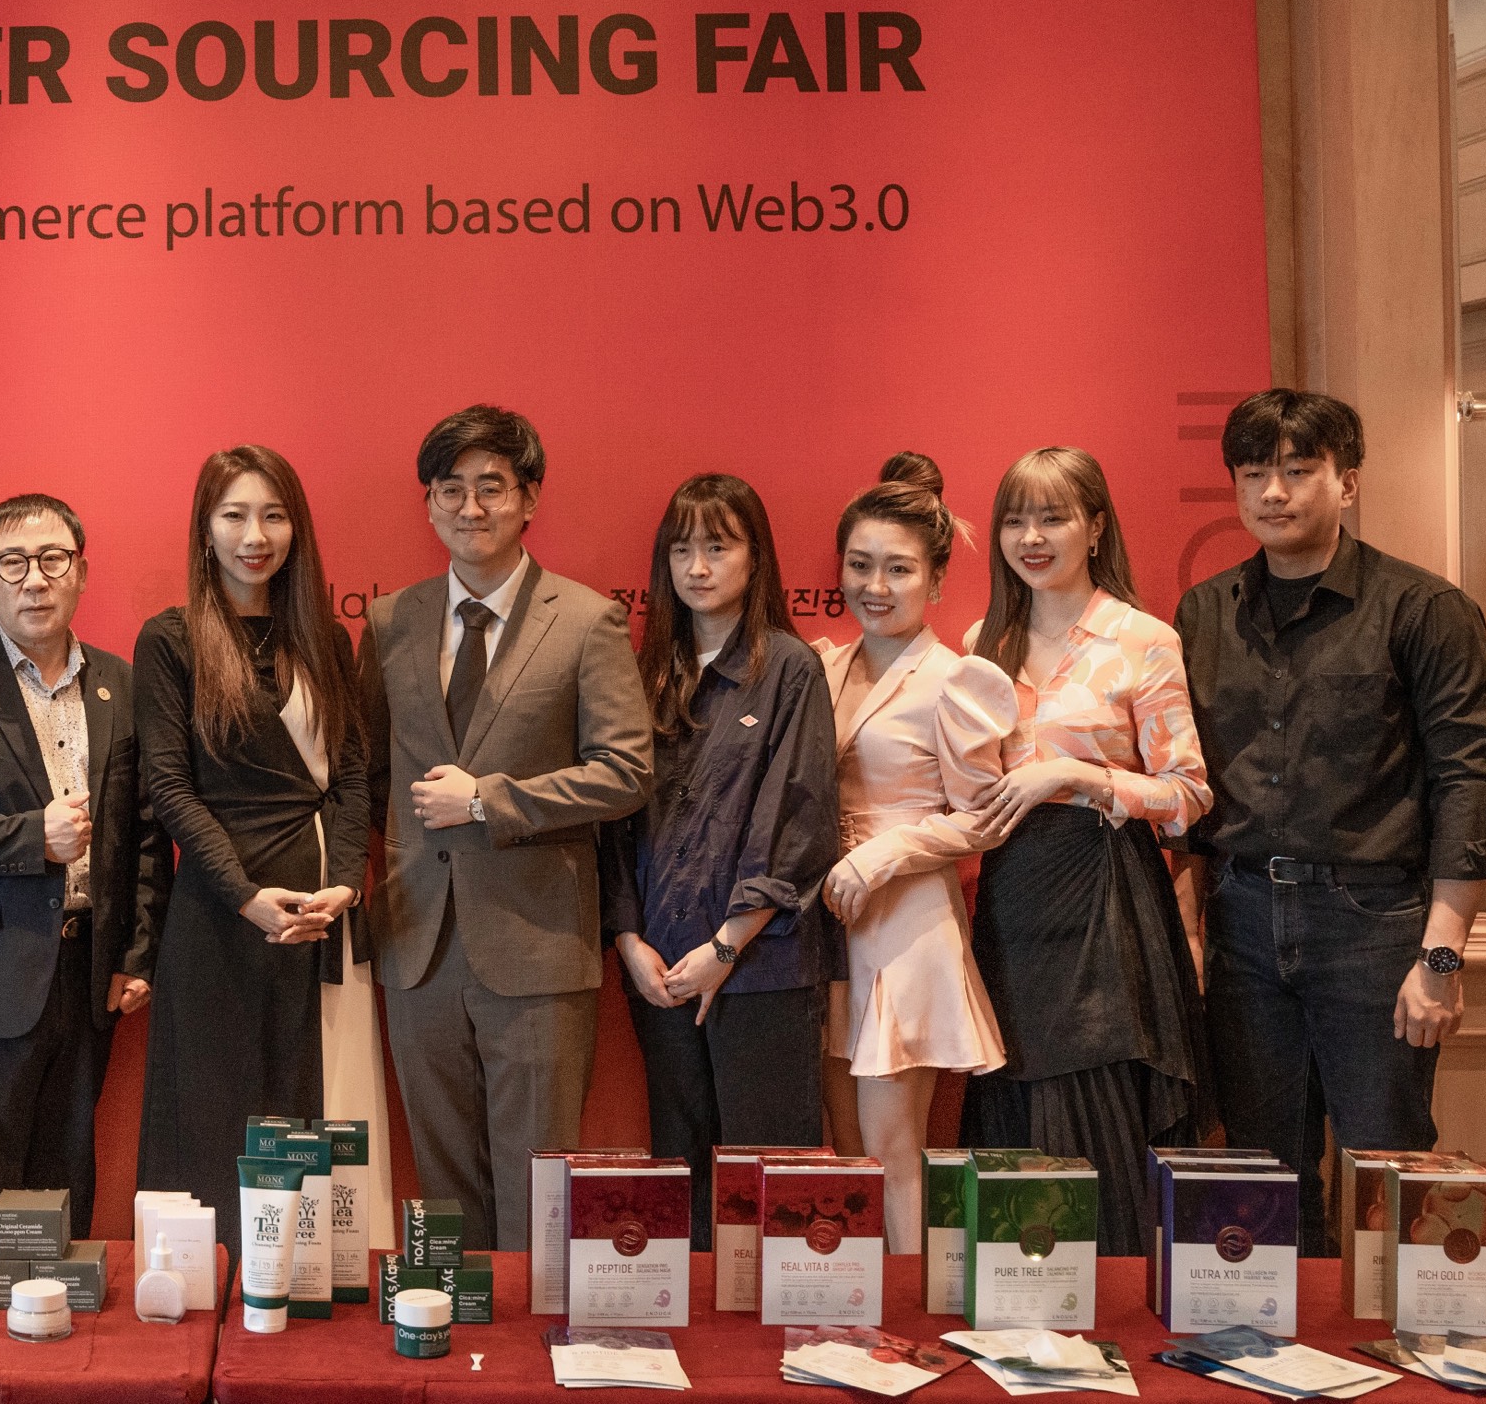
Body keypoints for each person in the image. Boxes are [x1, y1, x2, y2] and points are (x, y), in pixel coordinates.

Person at [1172, 391, 1486, 1258]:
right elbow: (1190, 785)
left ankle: (1397, 1335)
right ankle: (1279, 1338)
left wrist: (1442, 958)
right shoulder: (1203, 612)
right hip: (1243, 920)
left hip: (1374, 923)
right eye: (1254, 473)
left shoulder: (1423, 608)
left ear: (1347, 482)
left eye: (1298, 470)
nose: (1273, 492)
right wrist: (1193, 927)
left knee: (1386, 1166)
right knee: (1262, 1175)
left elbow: (1470, 782)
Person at [358, 405, 651, 1251]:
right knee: (443, 1180)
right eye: (450, 489)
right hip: (417, 942)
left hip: (536, 944)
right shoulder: (389, 621)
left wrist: (491, 801)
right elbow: (370, 769)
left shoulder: (587, 620)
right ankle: (454, 1321)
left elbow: (627, 772)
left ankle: (529, 1332)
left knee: (537, 1180)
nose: (471, 507)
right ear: (429, 505)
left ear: (530, 499)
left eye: (492, 487)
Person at [0, 493, 171, 1240]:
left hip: (89, 974)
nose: (35, 580)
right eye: (13, 563)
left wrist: (138, 951)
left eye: (53, 559)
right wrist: (29, 839)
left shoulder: (120, 684)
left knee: (68, 1174)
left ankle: (62, 1308)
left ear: (81, 572)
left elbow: (145, 834)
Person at [959, 446, 1211, 1256]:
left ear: (1095, 527)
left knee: (1093, 1099)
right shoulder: (982, 642)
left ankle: (1105, 1295)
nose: (1031, 538)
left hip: (1106, 896)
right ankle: (1018, 1291)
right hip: (1010, 897)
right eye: (1015, 520)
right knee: (1014, 1092)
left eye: (1053, 518)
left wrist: (1080, 777)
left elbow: (1188, 795)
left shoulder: (1144, 639)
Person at [132, 446, 374, 1248]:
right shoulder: (171, 641)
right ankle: (207, 1283)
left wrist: (345, 884)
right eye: (234, 515)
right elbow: (170, 788)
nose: (254, 536)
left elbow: (352, 777)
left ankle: (298, 1281)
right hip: (217, 913)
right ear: (205, 529)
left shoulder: (325, 640)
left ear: (296, 529)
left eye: (273, 515)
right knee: (211, 1111)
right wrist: (243, 895)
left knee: (309, 1109)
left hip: (317, 917)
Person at [598, 473, 838, 1244]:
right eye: (682, 550)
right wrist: (627, 940)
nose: (697, 567)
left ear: (754, 555)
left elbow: (798, 823)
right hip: (661, 971)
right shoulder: (644, 674)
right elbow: (615, 822)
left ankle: (776, 1324)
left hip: (760, 967)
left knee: (770, 1186)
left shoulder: (791, 669)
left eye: (718, 547)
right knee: (682, 1180)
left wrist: (726, 947)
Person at [814, 454, 1013, 1254]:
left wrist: (885, 854)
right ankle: (852, 1303)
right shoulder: (823, 664)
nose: (876, 585)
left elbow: (986, 817)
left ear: (935, 581)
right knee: (843, 1152)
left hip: (906, 923)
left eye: (898, 569)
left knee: (892, 1150)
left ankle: (909, 1311)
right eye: (860, 565)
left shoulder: (956, 679)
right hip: (828, 923)